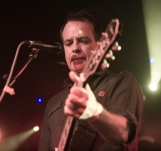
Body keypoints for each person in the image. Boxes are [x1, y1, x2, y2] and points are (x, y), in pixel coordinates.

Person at [38, 10, 144, 151]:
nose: (75, 48)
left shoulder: (120, 82)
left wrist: (95, 112)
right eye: (68, 43)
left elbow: (124, 132)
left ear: (99, 45)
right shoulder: (53, 103)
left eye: (83, 41)